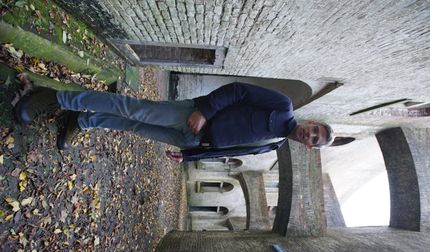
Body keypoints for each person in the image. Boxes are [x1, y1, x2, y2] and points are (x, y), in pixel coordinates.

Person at [14, 82, 334, 162]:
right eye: (315, 129)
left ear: (309, 147)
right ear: (311, 121)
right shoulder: (282, 105)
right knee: (134, 109)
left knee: (133, 126)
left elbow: (228, 152)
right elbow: (238, 91)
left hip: (193, 140)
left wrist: (191, 155)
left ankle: (83, 122)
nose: (311, 134)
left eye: (314, 139)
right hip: (193, 116)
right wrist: (205, 110)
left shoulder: (273, 145)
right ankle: (57, 98)